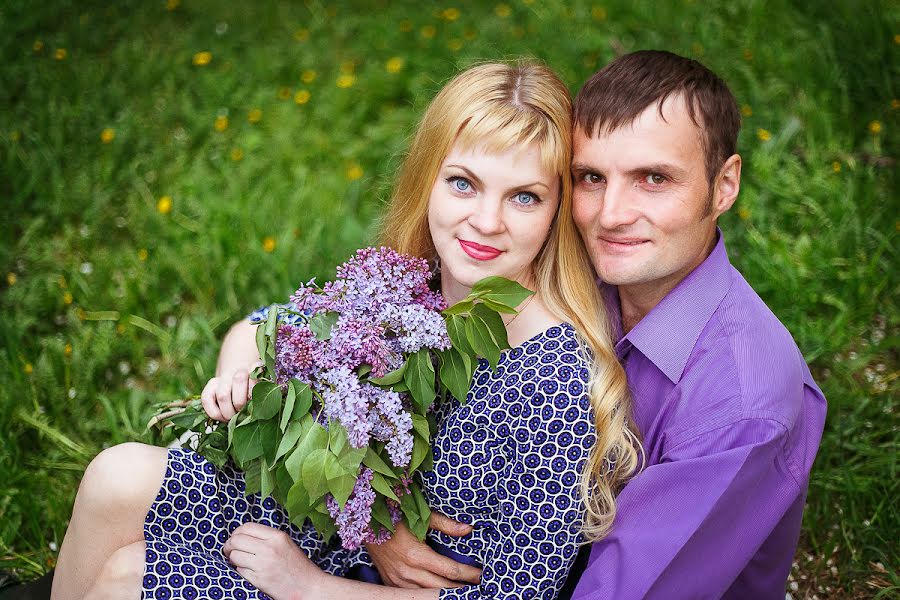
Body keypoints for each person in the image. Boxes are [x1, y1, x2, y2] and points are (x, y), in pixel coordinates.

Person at [51, 62, 640, 600]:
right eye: (463, 182)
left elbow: (511, 597)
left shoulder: (548, 379)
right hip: (329, 530)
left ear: (558, 210)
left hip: (343, 584)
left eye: (524, 197)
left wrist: (308, 588)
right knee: (114, 478)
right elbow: (257, 330)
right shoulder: (415, 285)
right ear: (428, 181)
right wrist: (244, 373)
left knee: (126, 580)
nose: (486, 221)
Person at [375, 50, 829, 599]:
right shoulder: (564, 264)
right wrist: (378, 521)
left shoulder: (738, 407)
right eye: (591, 177)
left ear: (724, 184)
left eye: (653, 179)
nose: (611, 214)